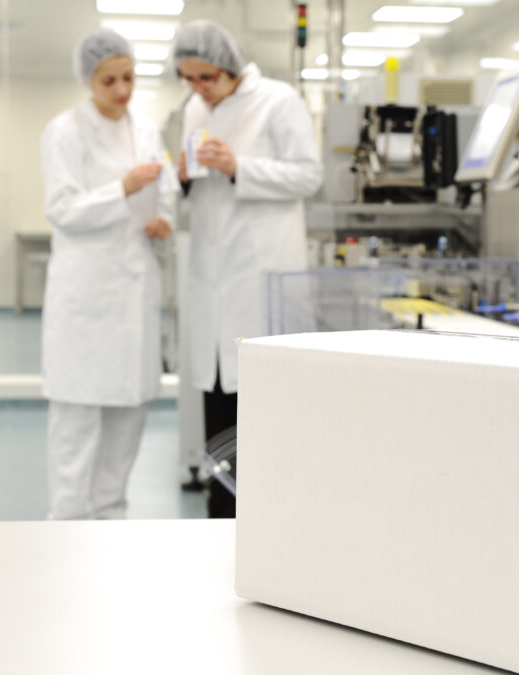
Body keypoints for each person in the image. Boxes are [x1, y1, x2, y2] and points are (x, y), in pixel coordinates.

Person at [173, 20, 323, 516]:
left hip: (260, 283)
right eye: (187, 79)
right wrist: (185, 178)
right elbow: (199, 194)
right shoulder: (196, 109)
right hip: (210, 285)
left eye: (206, 78)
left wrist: (240, 167)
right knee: (218, 416)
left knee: (264, 418)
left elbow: (308, 175)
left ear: (230, 68)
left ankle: (270, 525)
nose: (197, 89)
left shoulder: (278, 101)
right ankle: (220, 519)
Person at [39, 27, 174, 520]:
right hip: (86, 298)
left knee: (127, 419)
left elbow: (168, 192)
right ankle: (67, 526)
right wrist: (122, 189)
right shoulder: (65, 131)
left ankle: (111, 522)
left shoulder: (145, 129)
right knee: (76, 427)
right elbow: (62, 208)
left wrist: (166, 219)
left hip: (134, 293)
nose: (122, 90)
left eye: (129, 77)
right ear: (87, 80)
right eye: (109, 80)